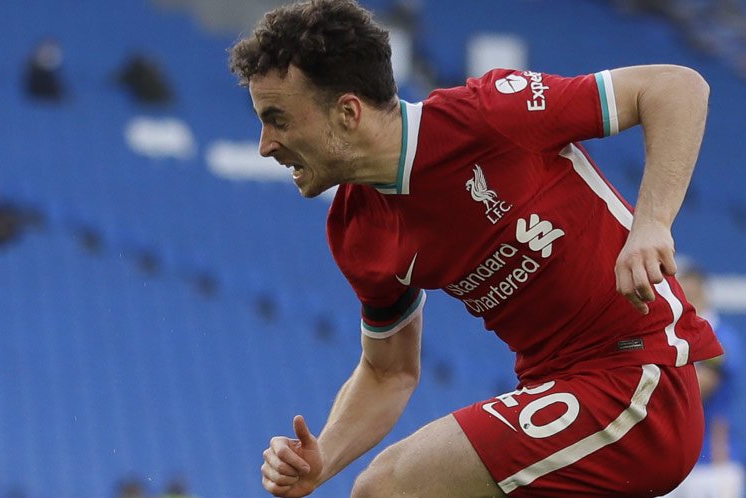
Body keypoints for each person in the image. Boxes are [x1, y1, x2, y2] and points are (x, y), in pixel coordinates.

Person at [228, 1, 722, 497]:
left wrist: (652, 224)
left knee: (386, 489)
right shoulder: (357, 230)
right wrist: (322, 460)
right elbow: (388, 371)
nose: (265, 144)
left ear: (348, 112)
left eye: (277, 119)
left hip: (640, 379)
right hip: (557, 390)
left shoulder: (489, 114)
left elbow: (675, 87)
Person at [665, 261, 743, 498]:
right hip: (674, 463)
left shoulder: (722, 338)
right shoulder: (672, 338)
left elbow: (696, 389)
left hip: (714, 465)